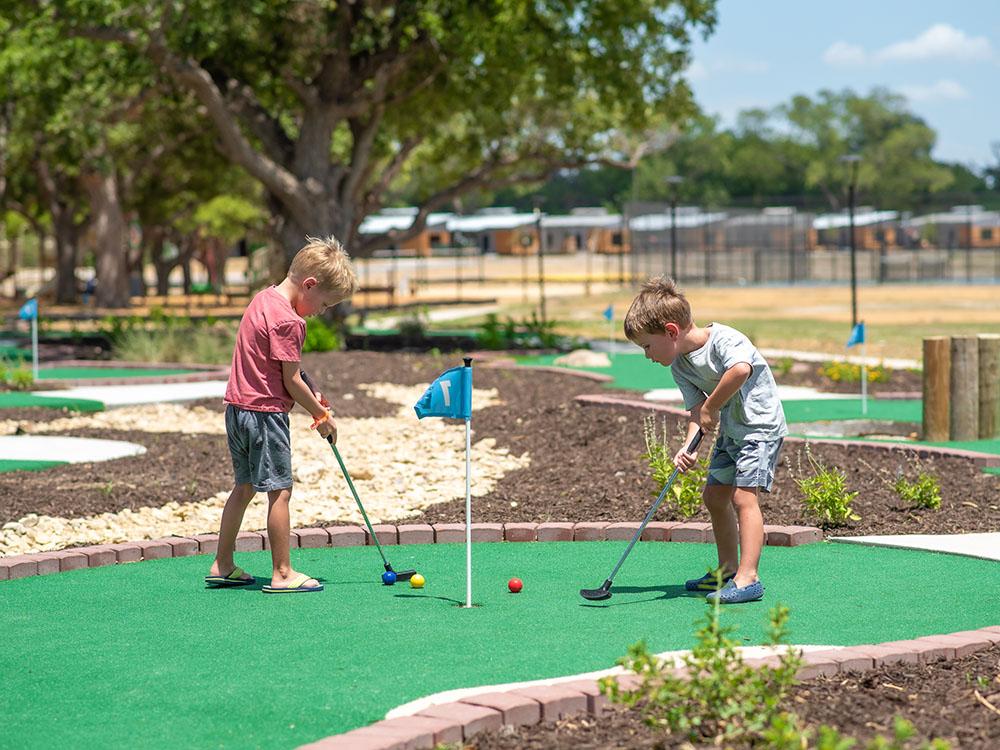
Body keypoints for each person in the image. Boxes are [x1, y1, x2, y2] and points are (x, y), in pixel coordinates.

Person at [205, 236, 359, 594]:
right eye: (323, 303)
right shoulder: (291, 321)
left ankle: (223, 563)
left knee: (243, 488)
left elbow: (282, 369)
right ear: (310, 285)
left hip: (237, 410)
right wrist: (323, 415)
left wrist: (311, 389)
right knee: (280, 491)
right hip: (265, 416)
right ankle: (283, 573)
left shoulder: (262, 300)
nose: (320, 311)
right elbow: (289, 381)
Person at [623, 276, 787, 604]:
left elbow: (740, 371)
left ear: (671, 332)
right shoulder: (680, 366)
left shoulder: (724, 339)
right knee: (714, 497)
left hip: (760, 427)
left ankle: (748, 578)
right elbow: (698, 412)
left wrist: (713, 407)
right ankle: (726, 570)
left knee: (743, 498)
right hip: (732, 431)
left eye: (646, 346)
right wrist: (688, 447)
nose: (646, 355)